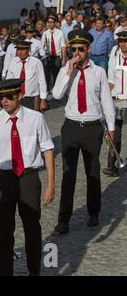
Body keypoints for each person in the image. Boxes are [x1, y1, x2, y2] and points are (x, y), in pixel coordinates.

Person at [0, 78, 55, 276]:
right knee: (4, 232)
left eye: (9, 97)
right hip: (4, 179)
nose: (4, 101)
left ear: (20, 96)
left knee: (32, 228)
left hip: (28, 178)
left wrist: (51, 184)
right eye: (1, 98)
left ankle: (34, 271)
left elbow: (48, 149)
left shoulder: (35, 119)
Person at [52, 29, 116, 235]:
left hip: (92, 127)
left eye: (81, 49)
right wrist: (68, 71)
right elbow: (56, 94)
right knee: (68, 174)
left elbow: (106, 101)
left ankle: (93, 212)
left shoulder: (99, 72)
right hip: (71, 126)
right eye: (73, 49)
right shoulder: (66, 70)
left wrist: (112, 128)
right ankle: (63, 219)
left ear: (88, 49)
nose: (77, 53)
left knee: (92, 172)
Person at [103, 31, 127, 177]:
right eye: (121, 42)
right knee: (115, 134)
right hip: (117, 100)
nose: (123, 44)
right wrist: (106, 100)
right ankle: (112, 165)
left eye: (125, 41)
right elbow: (110, 80)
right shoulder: (115, 57)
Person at [7, 40, 48, 111]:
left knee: (33, 119)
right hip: (17, 97)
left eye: (23, 50)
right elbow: (9, 80)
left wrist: (43, 99)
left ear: (28, 49)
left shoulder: (36, 62)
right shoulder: (13, 62)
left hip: (32, 98)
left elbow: (42, 81)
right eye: (18, 50)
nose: (20, 52)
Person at [42, 15, 67, 91]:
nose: (50, 24)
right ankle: (47, 90)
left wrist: (63, 58)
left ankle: (55, 89)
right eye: (48, 22)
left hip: (56, 56)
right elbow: (42, 46)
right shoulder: (45, 33)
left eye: (51, 22)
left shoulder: (60, 33)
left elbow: (63, 46)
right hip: (47, 56)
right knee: (47, 74)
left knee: (56, 74)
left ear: (55, 23)